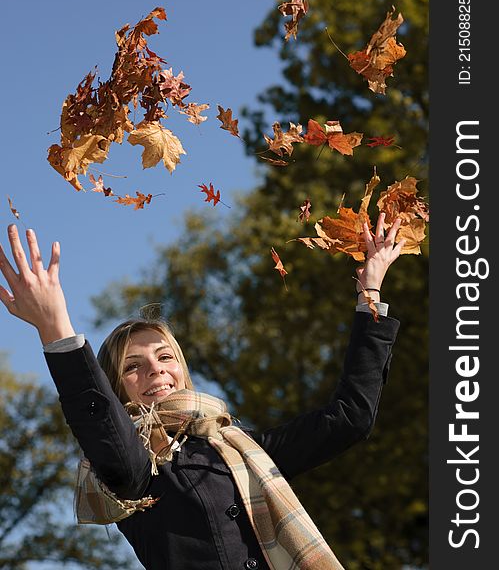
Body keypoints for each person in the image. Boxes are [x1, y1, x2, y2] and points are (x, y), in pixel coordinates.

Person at [0, 215, 405, 570]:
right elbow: (99, 419)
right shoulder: (133, 469)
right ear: (116, 389)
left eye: (164, 356)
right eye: (133, 366)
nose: (156, 369)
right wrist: (55, 328)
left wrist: (369, 293)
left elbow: (350, 417)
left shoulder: (244, 451)